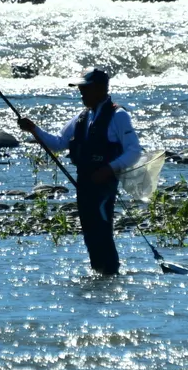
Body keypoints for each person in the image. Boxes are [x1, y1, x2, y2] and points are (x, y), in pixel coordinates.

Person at [17, 68, 142, 275]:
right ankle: (100, 276)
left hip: (104, 187)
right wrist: (33, 129)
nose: (81, 93)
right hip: (84, 184)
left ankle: (110, 275)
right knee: (90, 234)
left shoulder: (118, 116)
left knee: (102, 232)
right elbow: (57, 144)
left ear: (101, 88)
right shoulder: (82, 117)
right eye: (80, 89)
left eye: (85, 88)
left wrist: (108, 170)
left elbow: (134, 151)